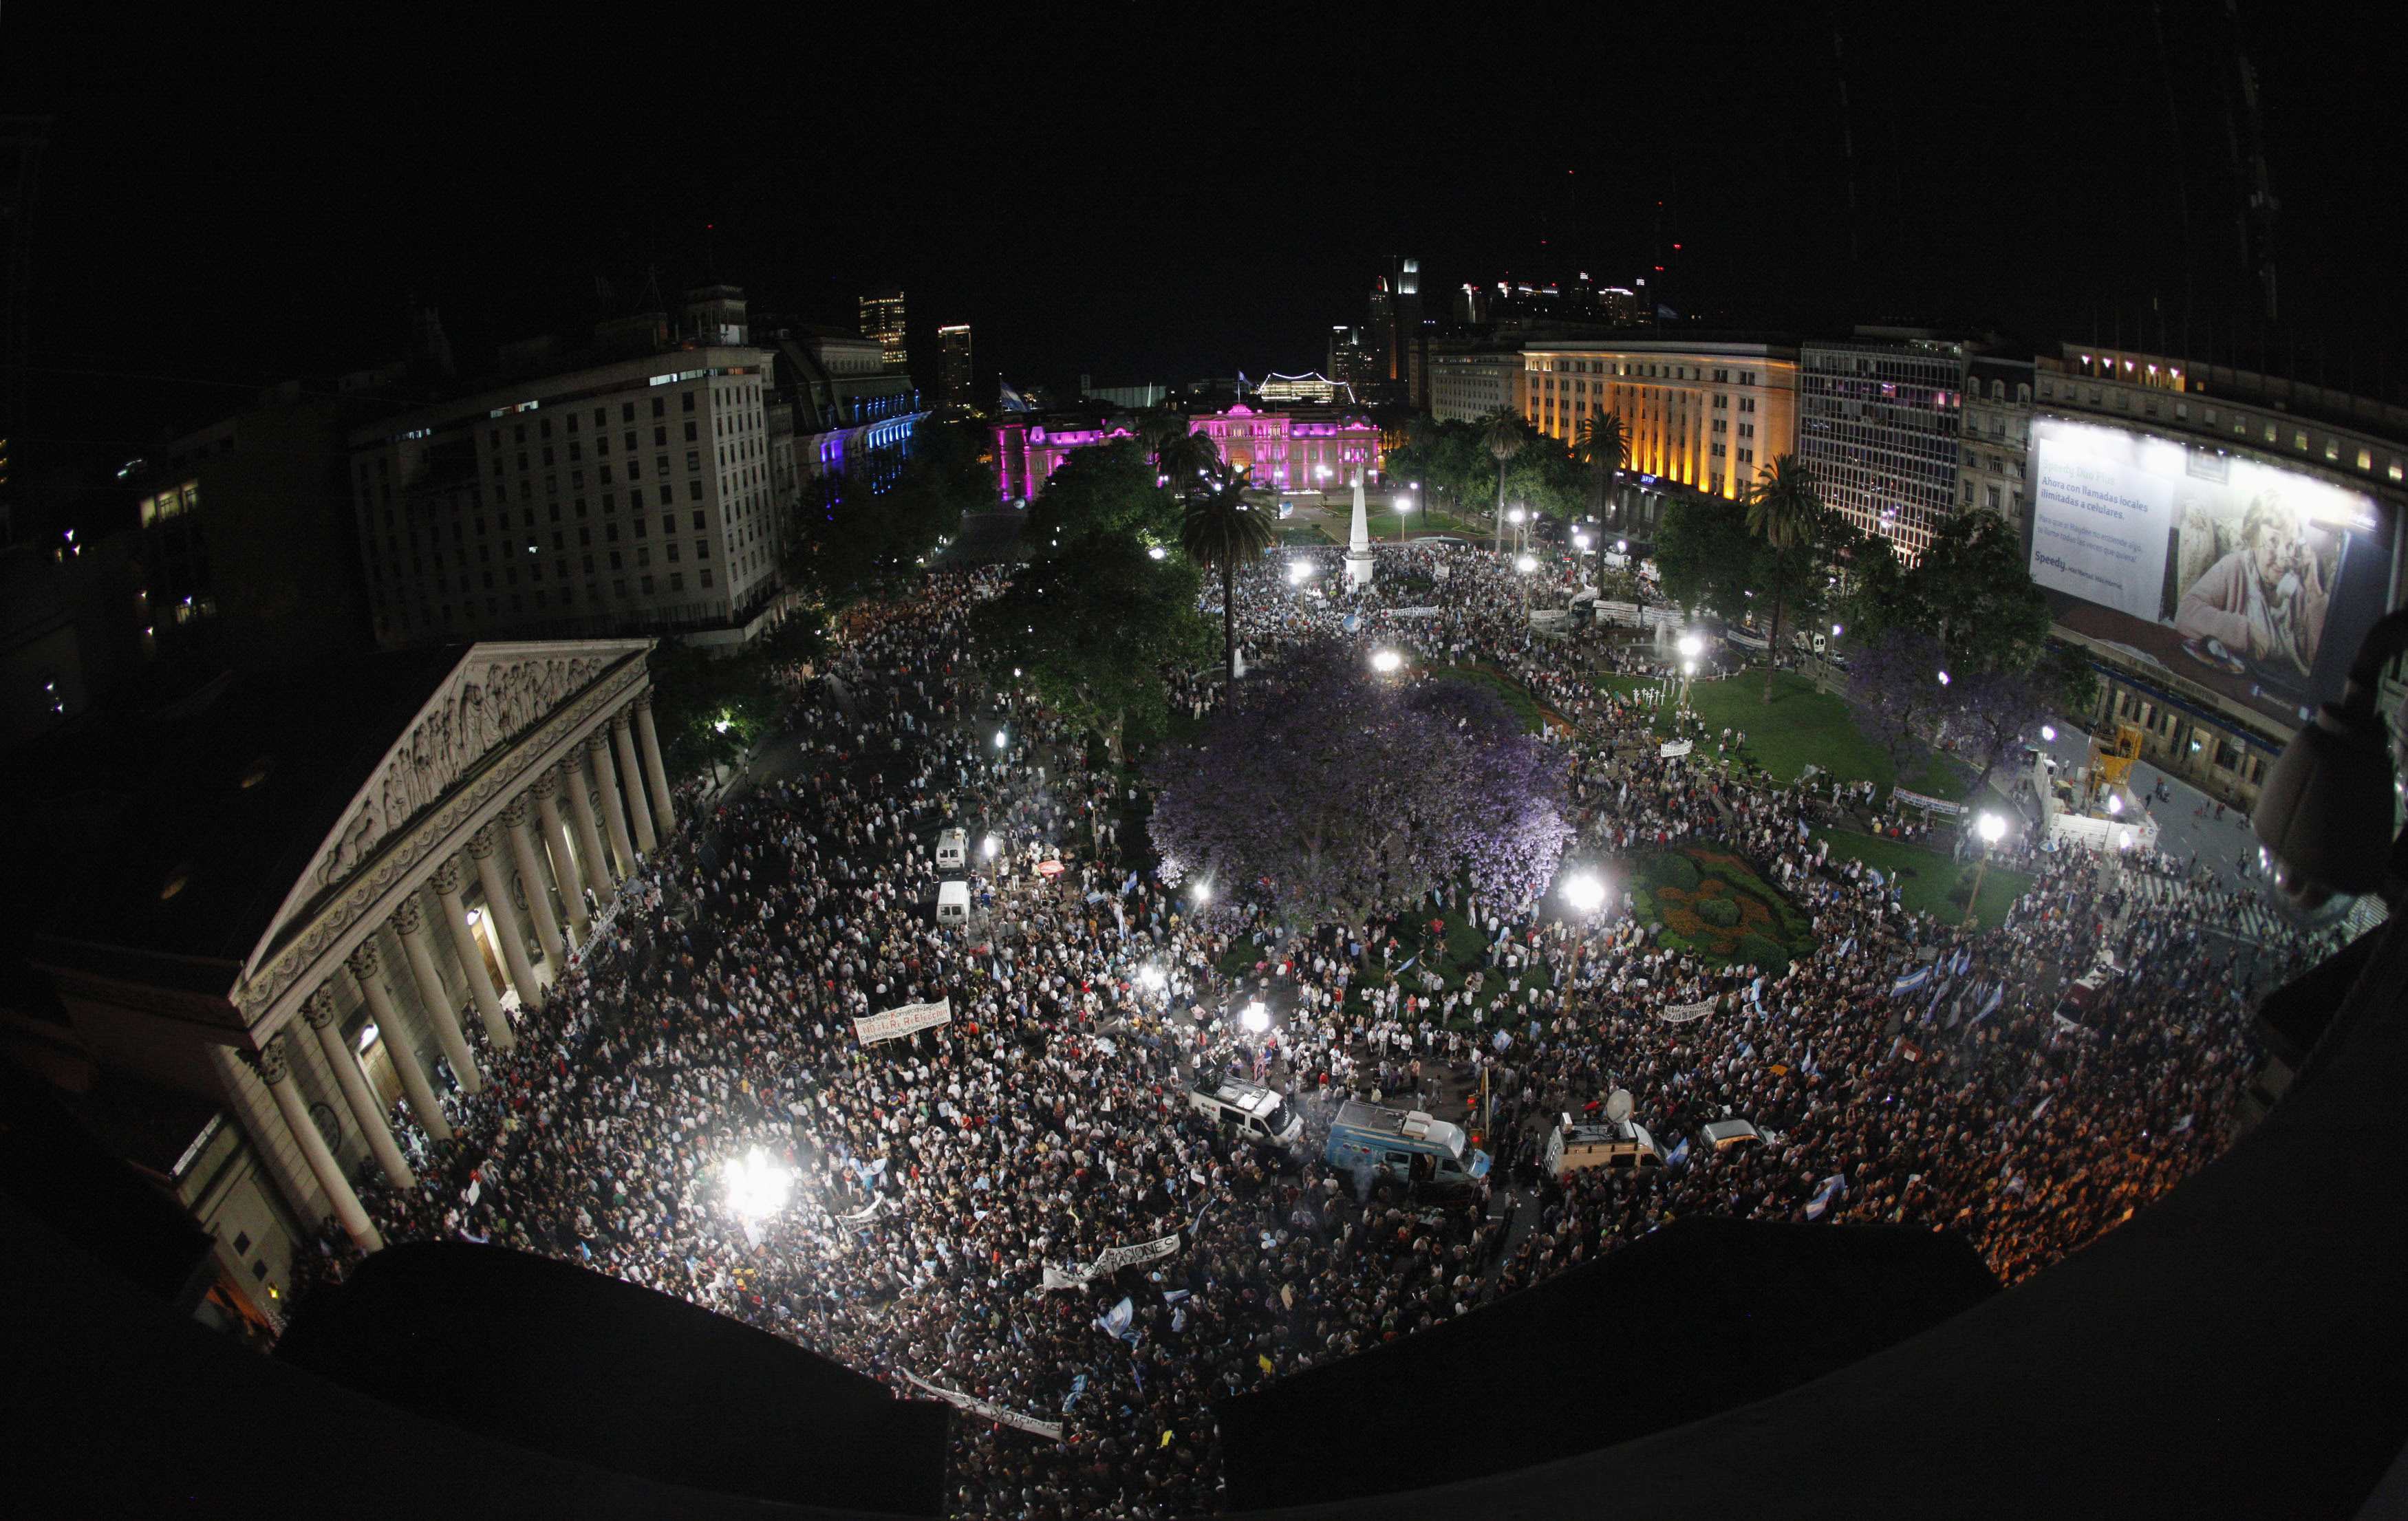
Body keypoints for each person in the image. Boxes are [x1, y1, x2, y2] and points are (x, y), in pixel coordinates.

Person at [2174, 495, 2330, 679]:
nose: (2283, 557)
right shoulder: (2233, 567)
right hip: (2237, 683)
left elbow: (2321, 662)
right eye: (2273, 541)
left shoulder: (2300, 587)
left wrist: (2314, 592)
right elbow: (2186, 613)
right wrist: (2246, 632)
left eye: (2289, 545)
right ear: (2253, 540)